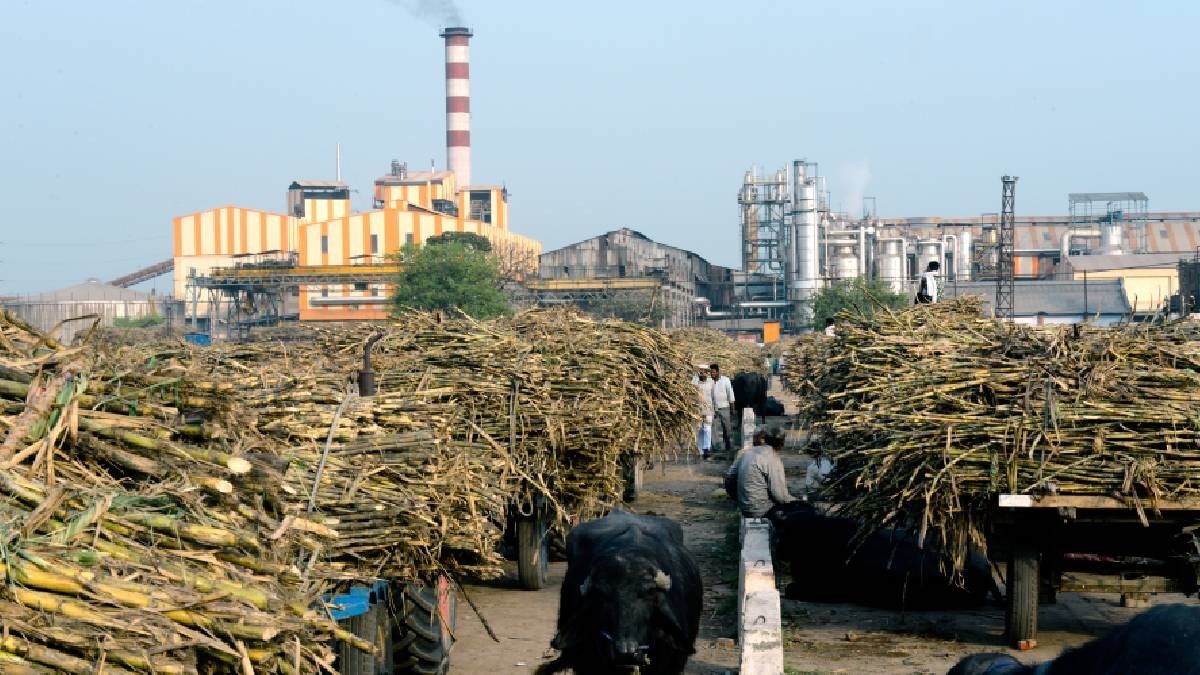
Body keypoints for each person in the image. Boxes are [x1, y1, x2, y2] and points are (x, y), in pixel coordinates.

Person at [723, 425, 799, 523]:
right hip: (762, 510)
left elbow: (729, 478)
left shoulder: (747, 452)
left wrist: (740, 498)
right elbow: (780, 496)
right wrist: (798, 501)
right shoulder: (773, 458)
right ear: (781, 443)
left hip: (745, 507)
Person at [709, 363, 736, 455]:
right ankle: (716, 447)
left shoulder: (725, 380)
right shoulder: (710, 381)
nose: (712, 374)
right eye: (711, 372)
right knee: (713, 428)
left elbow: (730, 394)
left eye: (713, 372)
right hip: (713, 408)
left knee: (726, 428)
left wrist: (732, 408)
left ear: (718, 372)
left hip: (725, 407)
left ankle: (728, 446)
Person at [693, 367, 715, 460]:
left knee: (707, 429)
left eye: (705, 372)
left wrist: (716, 409)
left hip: (708, 410)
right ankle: (700, 450)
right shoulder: (694, 383)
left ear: (707, 373)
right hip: (697, 410)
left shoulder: (711, 383)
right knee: (699, 430)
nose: (703, 373)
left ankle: (706, 449)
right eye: (701, 372)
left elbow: (714, 396)